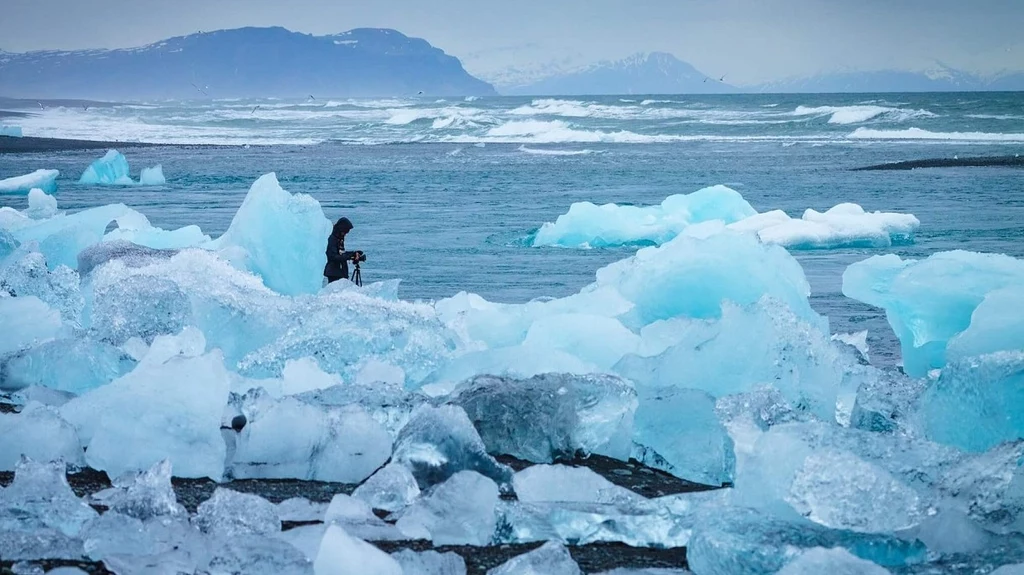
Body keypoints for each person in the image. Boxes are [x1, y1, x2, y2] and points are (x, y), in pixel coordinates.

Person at [324, 217, 358, 284]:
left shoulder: (339, 239)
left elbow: (341, 253)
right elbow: (333, 256)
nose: (345, 234)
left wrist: (353, 254)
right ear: (340, 229)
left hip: (339, 272)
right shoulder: (332, 239)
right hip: (334, 273)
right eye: (345, 232)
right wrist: (348, 256)